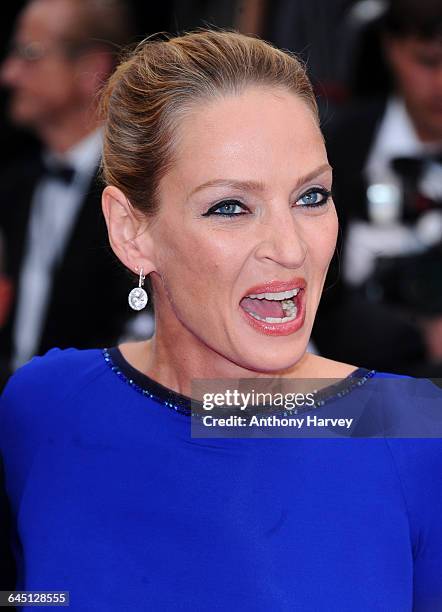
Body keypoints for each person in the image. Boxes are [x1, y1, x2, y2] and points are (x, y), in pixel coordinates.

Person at [1, 30, 442, 610]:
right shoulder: (45, 408)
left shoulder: (413, 434)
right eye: (230, 206)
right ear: (132, 231)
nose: (289, 248)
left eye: (311, 197)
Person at [0, 0, 140, 376]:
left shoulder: (141, 185)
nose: (9, 74)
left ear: (91, 70)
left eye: (29, 54)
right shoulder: (16, 185)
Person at [314, 0, 442, 376]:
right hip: (352, 374)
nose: (441, 83)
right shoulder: (339, 144)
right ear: (391, 49)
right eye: (428, 61)